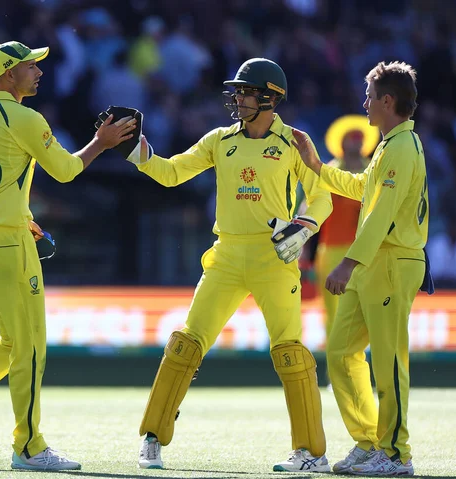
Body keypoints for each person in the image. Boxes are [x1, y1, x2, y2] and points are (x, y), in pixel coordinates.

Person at [0, 41, 136, 471]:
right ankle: (29, 446)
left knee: (11, 342)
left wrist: (16, 216)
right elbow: (68, 170)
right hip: (8, 243)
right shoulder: (25, 118)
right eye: (32, 66)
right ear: (9, 73)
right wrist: (102, 142)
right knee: (30, 349)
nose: (39, 73)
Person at [118, 58, 334, 471]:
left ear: (269, 97)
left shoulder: (294, 142)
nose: (237, 98)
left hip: (274, 258)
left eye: (245, 92)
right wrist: (135, 147)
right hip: (227, 256)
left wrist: (305, 226)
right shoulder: (220, 139)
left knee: (290, 351)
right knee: (186, 342)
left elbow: (321, 193)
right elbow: (173, 172)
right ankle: (152, 437)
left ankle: (311, 453)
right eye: (236, 91)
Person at [291, 61, 433, 476]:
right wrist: (318, 167)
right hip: (377, 260)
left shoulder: (401, 147)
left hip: (388, 260)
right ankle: (370, 441)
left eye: (369, 97)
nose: (365, 104)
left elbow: (381, 215)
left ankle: (395, 455)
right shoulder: (393, 145)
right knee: (340, 352)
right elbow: (363, 189)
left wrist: (348, 263)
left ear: (387, 101)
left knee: (388, 360)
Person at [313, 115, 378, 386]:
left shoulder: (372, 172)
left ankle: (359, 374)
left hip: (362, 253)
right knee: (334, 316)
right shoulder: (330, 171)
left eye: (359, 137)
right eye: (351, 138)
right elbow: (313, 209)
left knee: (364, 315)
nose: (356, 142)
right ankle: (335, 376)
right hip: (331, 252)